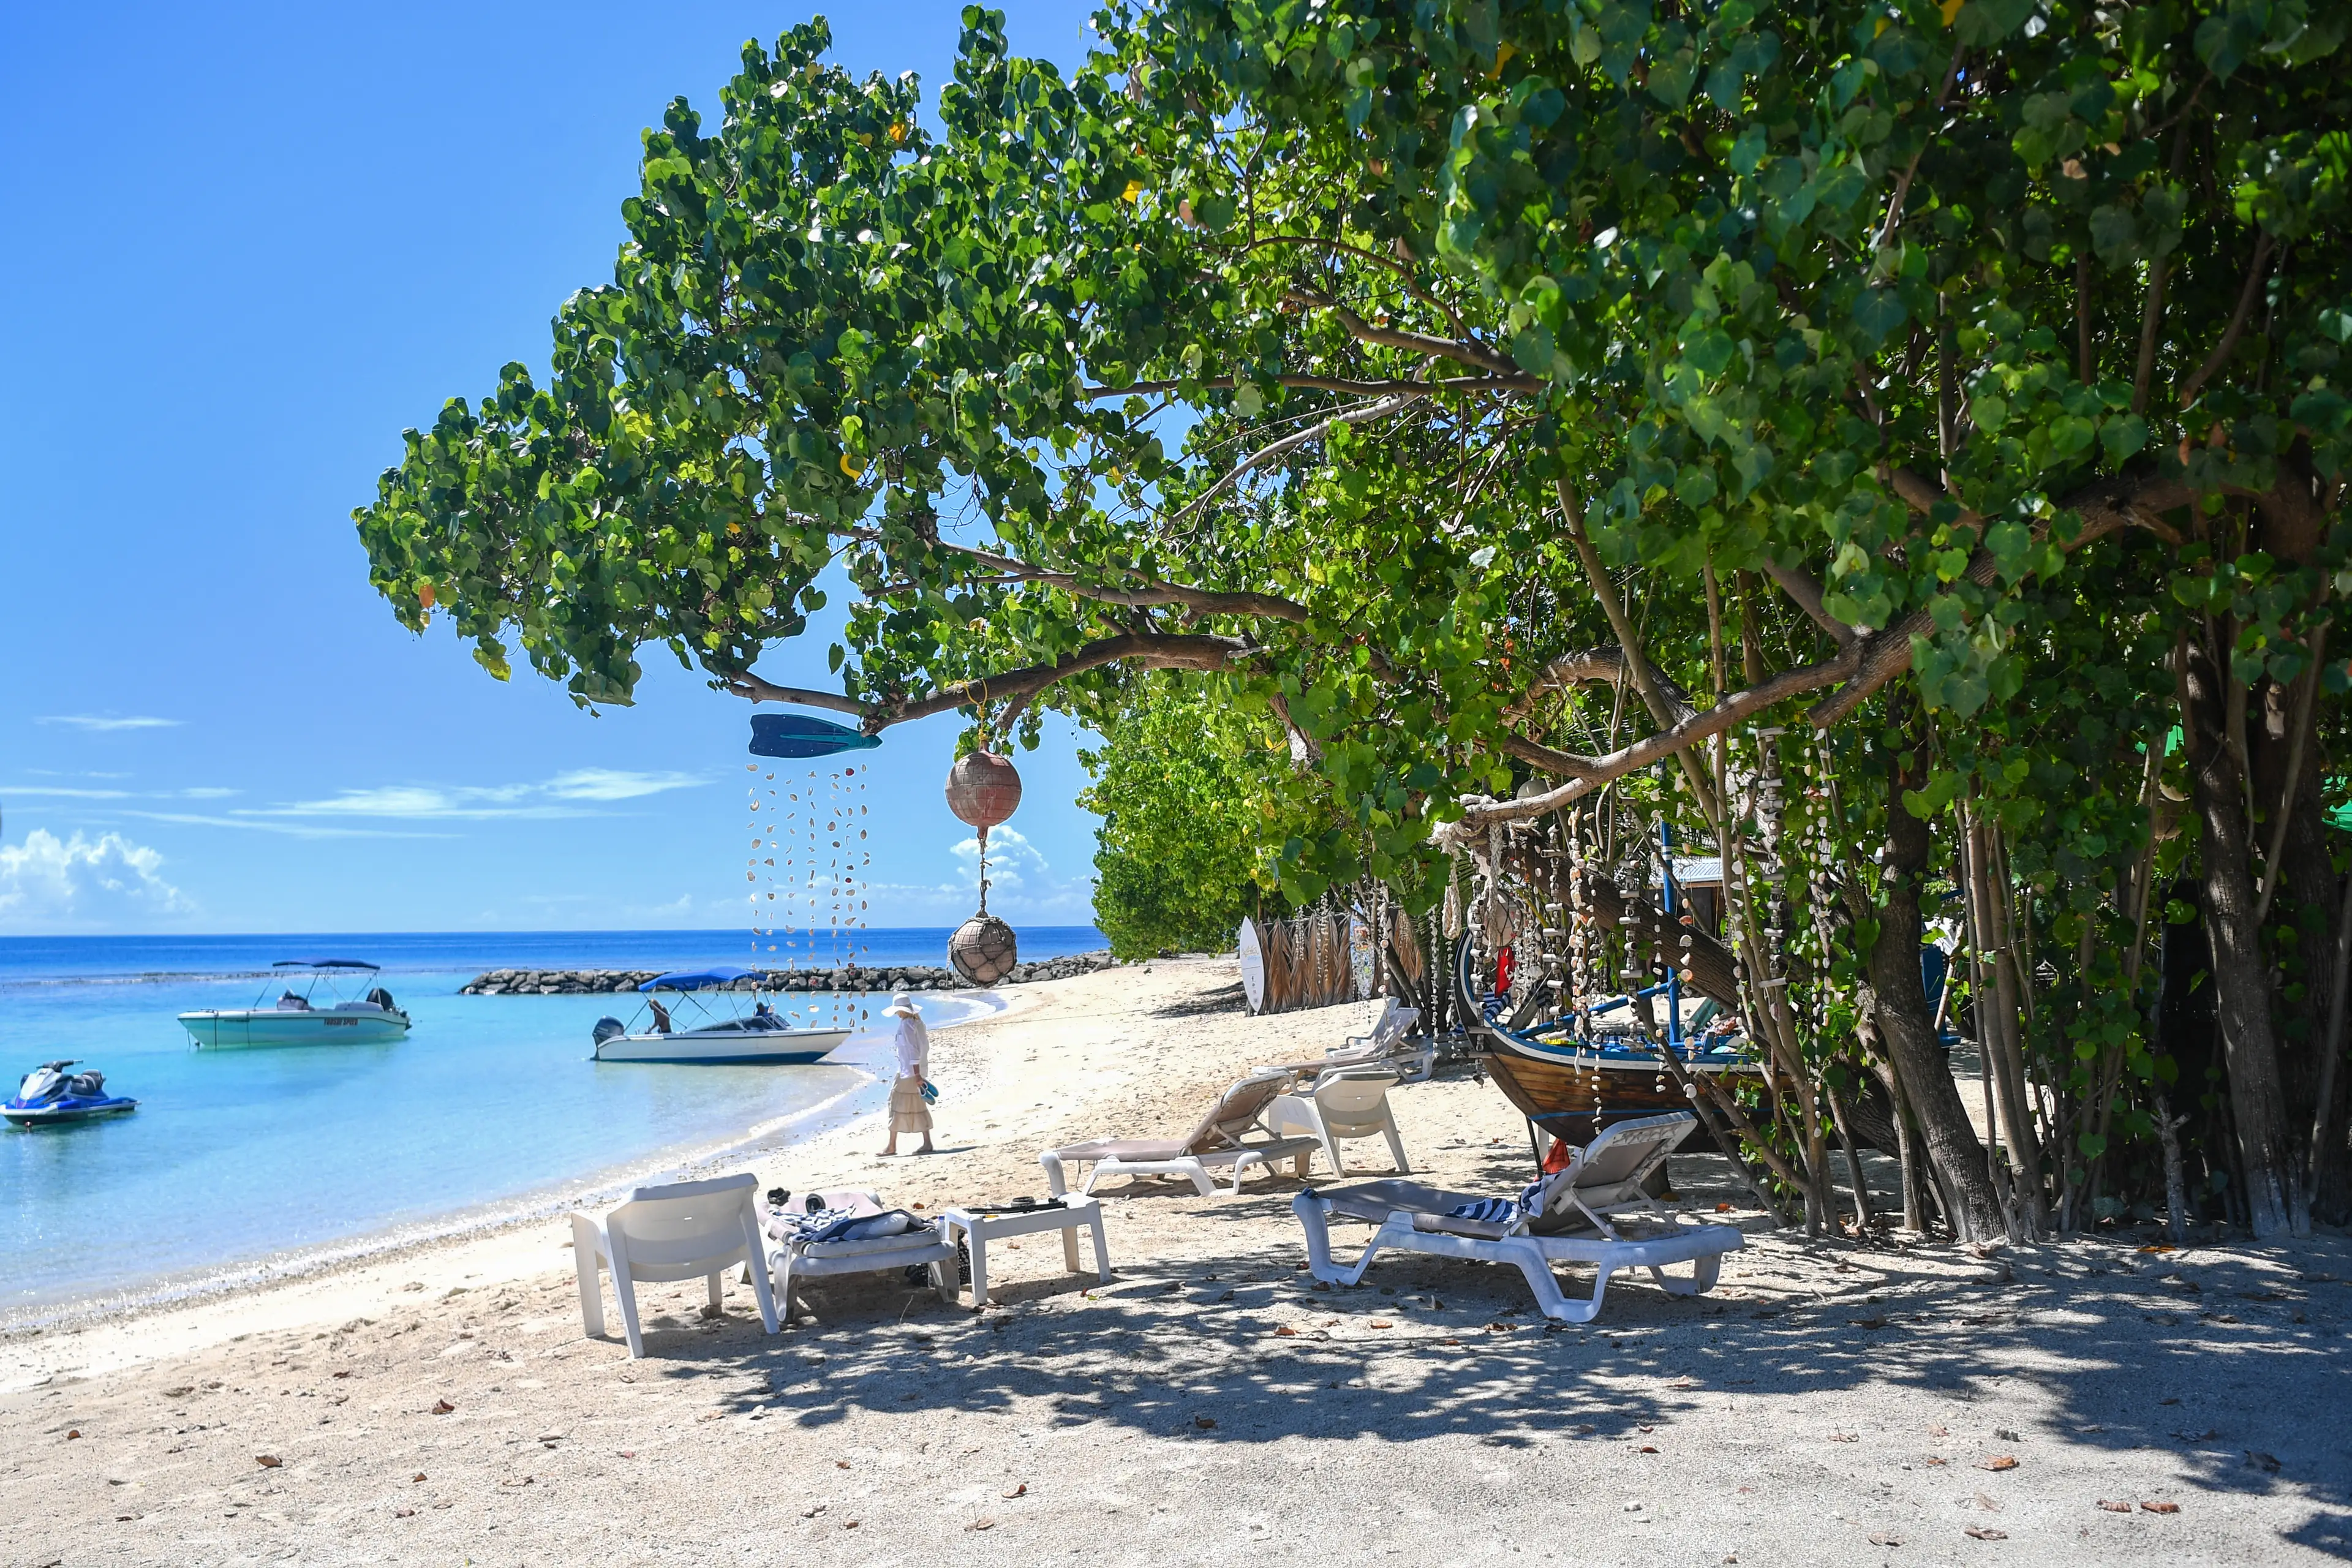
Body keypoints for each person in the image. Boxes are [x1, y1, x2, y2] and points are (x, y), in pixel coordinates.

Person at [880, 990, 933, 1156]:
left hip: (909, 1072)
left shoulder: (907, 1024)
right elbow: (922, 1048)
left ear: (901, 1010)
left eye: (897, 1010)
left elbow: (912, 1051)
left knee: (895, 1103)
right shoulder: (917, 1022)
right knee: (917, 1103)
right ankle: (927, 1142)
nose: (897, 1013)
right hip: (916, 1069)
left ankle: (892, 1146)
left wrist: (916, 1074)